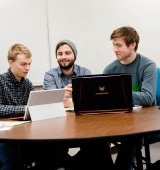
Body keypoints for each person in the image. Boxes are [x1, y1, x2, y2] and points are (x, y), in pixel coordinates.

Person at [43, 40, 114, 170]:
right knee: (49, 147)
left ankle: (71, 165)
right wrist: (63, 97)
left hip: (84, 124)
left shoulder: (85, 72)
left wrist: (65, 100)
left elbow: (91, 101)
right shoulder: (50, 75)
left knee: (100, 143)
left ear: (74, 55)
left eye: (67, 53)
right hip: (58, 126)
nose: (63, 57)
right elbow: (51, 102)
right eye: (60, 54)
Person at [103, 26, 157, 170]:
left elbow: (147, 98)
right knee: (96, 140)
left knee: (130, 138)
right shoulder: (109, 70)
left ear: (132, 44)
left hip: (143, 121)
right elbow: (106, 100)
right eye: (113, 45)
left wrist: (116, 95)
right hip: (118, 119)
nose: (115, 49)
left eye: (119, 45)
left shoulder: (148, 65)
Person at [0, 43, 33, 170]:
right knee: (9, 157)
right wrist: (24, 109)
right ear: (10, 62)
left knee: (46, 150)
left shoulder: (28, 84)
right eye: (23, 64)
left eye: (30, 63)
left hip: (22, 134)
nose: (28, 68)